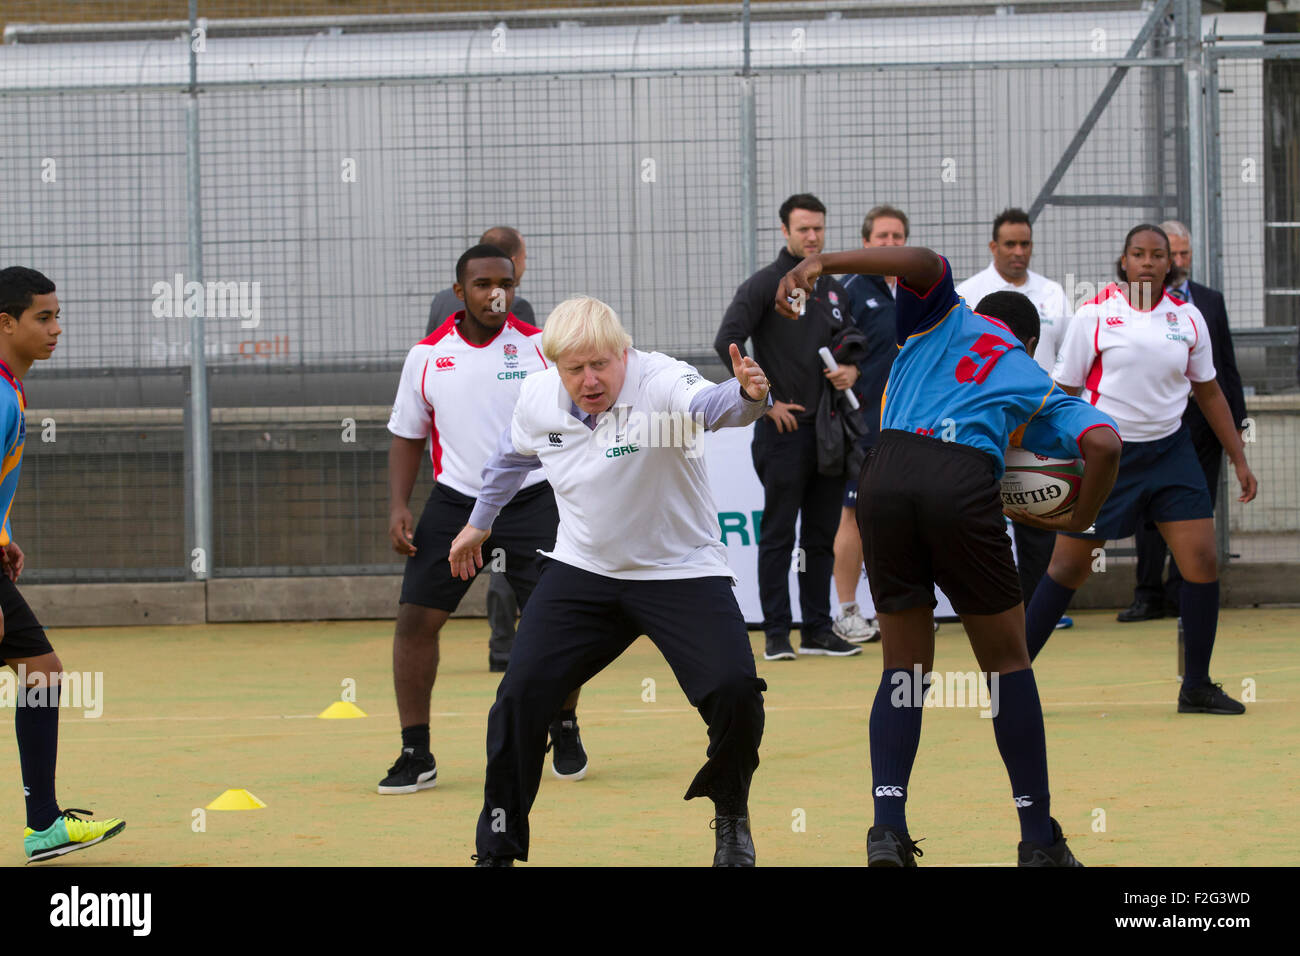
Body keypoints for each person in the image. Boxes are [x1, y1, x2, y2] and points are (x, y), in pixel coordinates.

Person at [777, 247, 1121, 867]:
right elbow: (1104, 443)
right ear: (1031, 339)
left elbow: (923, 259)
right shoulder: (1029, 376)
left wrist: (819, 263)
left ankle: (886, 830)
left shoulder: (936, 315)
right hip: (963, 484)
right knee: (1008, 666)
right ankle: (1038, 837)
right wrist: (1076, 517)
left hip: (886, 472)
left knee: (904, 668)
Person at [450, 297, 772, 866]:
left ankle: (730, 815)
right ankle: (496, 849)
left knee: (735, 692)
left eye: (601, 364)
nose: (590, 379)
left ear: (624, 353)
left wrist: (748, 393)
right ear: (554, 366)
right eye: (575, 368)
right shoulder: (538, 397)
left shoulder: (660, 380)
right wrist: (478, 525)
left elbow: (713, 406)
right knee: (519, 699)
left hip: (680, 570)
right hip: (584, 570)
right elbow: (508, 458)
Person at [1024, 224, 1259, 716]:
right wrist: (1045, 456)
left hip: (1172, 453)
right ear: (1124, 262)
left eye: (1158, 255)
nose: (1149, 262)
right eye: (1139, 254)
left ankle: (1195, 685)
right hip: (1107, 456)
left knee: (1202, 562)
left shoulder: (1188, 318)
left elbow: (1209, 391)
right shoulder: (1095, 315)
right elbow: (1063, 392)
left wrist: (1238, 456)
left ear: (1170, 264)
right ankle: (1011, 678)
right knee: (1069, 568)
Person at [383, 244, 586, 796]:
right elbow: (407, 434)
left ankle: (563, 725)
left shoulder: (543, 349)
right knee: (415, 622)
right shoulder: (426, 356)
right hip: (455, 503)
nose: (496, 293)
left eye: (506, 282)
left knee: (558, 621)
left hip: (534, 498)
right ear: (459, 292)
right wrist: (400, 505)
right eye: (483, 284)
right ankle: (415, 750)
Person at [0, 266, 126, 862]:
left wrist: (3, 534)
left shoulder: (10, 387)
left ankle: (44, 824)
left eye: (57, 315)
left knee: (41, 673)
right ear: (6, 323)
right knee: (40, 673)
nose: (57, 329)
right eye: (43, 318)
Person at [714, 193, 862, 661]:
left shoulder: (832, 288)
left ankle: (817, 629)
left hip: (830, 432)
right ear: (785, 231)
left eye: (818, 228)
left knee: (820, 535)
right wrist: (766, 402)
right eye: (803, 229)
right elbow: (728, 341)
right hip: (782, 431)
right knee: (778, 534)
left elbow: (852, 341)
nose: (813, 236)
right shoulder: (765, 284)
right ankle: (777, 633)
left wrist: (850, 371)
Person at [1118, 219, 1248, 623]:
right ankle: (1147, 593)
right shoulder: (1109, 311)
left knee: (1192, 517)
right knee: (1145, 517)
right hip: (1141, 432)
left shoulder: (1204, 305)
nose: (1169, 261)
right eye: (1148, 254)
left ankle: (1182, 596)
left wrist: (1238, 436)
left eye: (1177, 254)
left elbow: (1221, 372)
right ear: (1126, 261)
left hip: (1199, 430)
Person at [957, 208, 1077, 630]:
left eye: (1025, 243)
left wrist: (1048, 403)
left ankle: (1038, 607)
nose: (1018, 252)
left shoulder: (1053, 293)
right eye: (1010, 244)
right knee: (983, 514)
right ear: (994, 246)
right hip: (984, 422)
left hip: (1034, 419)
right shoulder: (968, 293)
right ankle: (988, 606)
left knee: (1037, 509)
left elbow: (1066, 358)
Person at [427, 227, 534, 672]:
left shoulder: (440, 305)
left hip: (463, 460)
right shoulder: (518, 311)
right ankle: (507, 646)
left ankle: (503, 648)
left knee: (498, 563)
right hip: (495, 475)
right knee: (506, 566)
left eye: (505, 285)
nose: (498, 295)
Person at [830, 205, 909, 645]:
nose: (891, 244)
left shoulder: (922, 290)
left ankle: (895, 609)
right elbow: (832, 349)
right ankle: (846, 611)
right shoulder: (851, 291)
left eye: (898, 236)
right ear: (866, 243)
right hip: (863, 425)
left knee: (901, 517)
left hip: (912, 425)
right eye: (882, 236)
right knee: (855, 515)